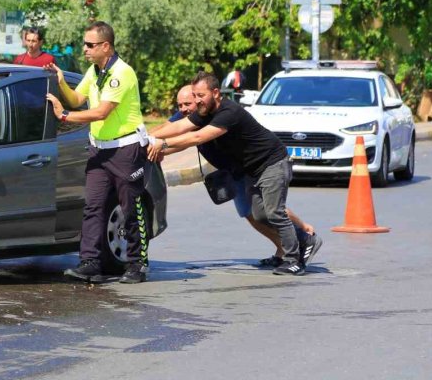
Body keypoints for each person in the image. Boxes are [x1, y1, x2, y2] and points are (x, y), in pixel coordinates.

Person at [148, 72, 322, 275]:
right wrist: (144, 136)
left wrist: (163, 144)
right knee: (259, 213)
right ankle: (305, 239)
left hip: (272, 163)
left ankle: (294, 259)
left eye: (200, 95)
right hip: (251, 169)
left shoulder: (229, 112)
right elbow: (179, 125)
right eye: (194, 95)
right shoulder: (203, 112)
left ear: (215, 93)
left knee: (273, 211)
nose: (196, 101)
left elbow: (197, 136)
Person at [45, 21, 152, 284]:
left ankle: (138, 264)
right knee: (93, 207)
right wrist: (61, 82)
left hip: (125, 149)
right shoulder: (95, 71)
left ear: (106, 46)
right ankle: (90, 262)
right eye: (85, 44)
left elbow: (102, 111)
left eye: (90, 45)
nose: (85, 49)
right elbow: (76, 100)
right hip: (99, 150)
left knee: (130, 207)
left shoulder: (121, 73)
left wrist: (65, 116)